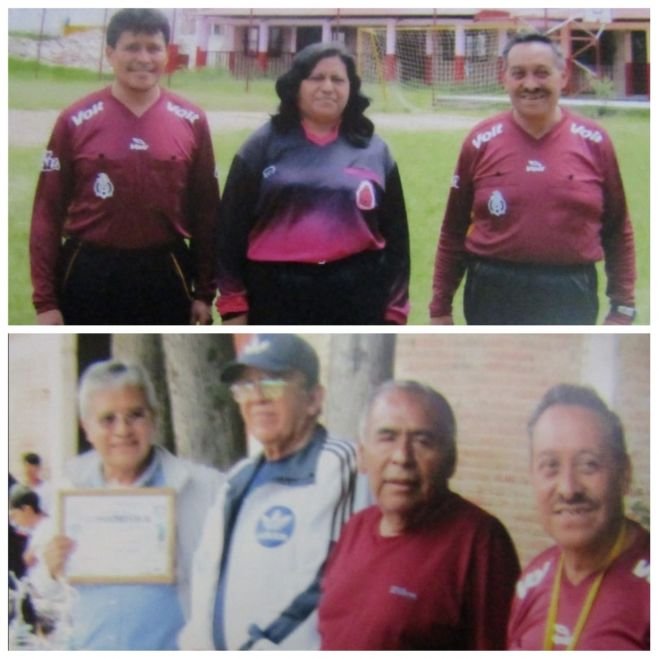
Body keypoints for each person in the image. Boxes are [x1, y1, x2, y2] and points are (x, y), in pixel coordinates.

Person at [429, 31, 636, 325]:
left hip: (569, 292)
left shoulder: (595, 142)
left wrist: (623, 306)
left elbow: (618, 230)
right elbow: (453, 230)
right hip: (492, 291)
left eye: (542, 73)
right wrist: (440, 309)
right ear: (505, 79)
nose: (530, 84)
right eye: (519, 74)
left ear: (563, 77)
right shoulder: (480, 141)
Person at [30, 8, 219, 325]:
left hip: (165, 269)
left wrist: (204, 292)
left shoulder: (192, 120)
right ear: (110, 53)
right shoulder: (75, 120)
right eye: (132, 47)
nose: (143, 58)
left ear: (166, 54)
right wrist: (46, 303)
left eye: (153, 48)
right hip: (89, 269)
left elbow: (207, 213)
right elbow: (47, 214)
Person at [179, 334, 362, 649]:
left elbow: (327, 576)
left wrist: (253, 647)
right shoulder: (238, 479)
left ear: (313, 399)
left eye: (274, 382)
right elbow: (206, 576)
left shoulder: (336, 464)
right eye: (245, 386)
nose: (258, 397)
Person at [29, 359, 224, 650]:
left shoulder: (205, 489)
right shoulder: (68, 491)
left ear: (154, 418)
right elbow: (43, 595)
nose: (123, 430)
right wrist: (50, 569)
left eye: (136, 415)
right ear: (87, 428)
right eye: (108, 419)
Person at [215, 42, 410, 325]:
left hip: (357, 293)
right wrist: (233, 305)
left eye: (337, 79)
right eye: (317, 78)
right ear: (296, 85)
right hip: (275, 293)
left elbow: (398, 241)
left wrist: (395, 311)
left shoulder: (375, 151)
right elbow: (229, 231)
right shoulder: (261, 146)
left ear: (351, 88)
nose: (328, 87)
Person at [318, 380, 520, 650]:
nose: (402, 457)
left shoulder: (479, 542)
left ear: (451, 460)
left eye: (423, 440)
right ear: (362, 455)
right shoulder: (356, 526)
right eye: (387, 437)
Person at [507, 384, 649, 650]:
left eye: (589, 465)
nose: (568, 489)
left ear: (624, 474)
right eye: (550, 466)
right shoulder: (533, 580)